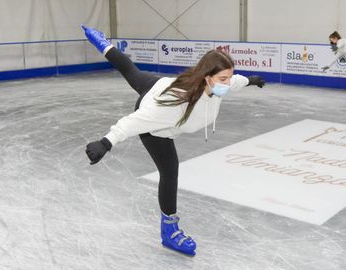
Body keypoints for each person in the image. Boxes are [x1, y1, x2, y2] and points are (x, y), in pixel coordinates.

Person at [81, 25, 265, 256]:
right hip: (158, 109)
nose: (227, 83)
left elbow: (235, 80)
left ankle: (101, 42)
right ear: (207, 78)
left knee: (130, 70)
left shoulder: (216, 85)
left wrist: (250, 80)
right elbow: (135, 122)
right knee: (170, 172)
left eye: (228, 78)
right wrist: (106, 142)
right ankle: (169, 231)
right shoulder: (174, 106)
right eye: (223, 79)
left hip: (159, 85)